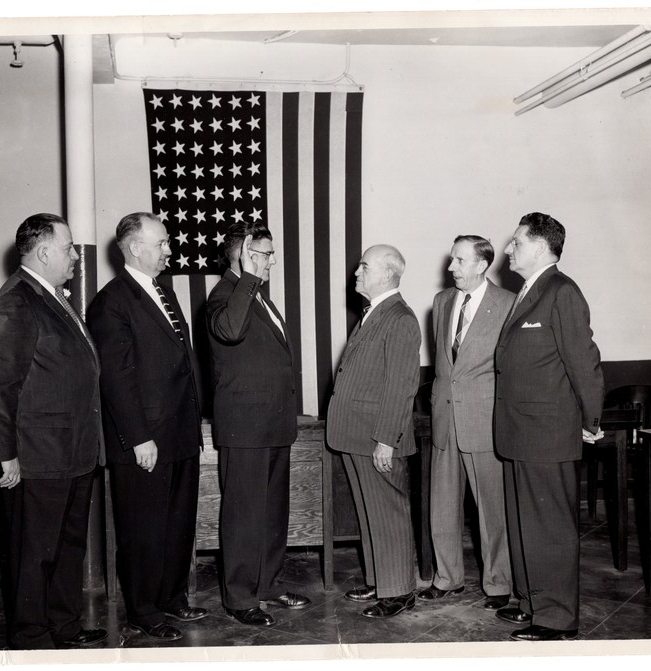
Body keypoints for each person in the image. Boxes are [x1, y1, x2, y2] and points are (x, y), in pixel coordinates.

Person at [0, 213, 107, 649]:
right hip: (37, 456)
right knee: (34, 554)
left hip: (72, 452)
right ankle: (32, 640)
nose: (76, 256)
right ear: (45, 251)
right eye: (69, 248)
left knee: (67, 548)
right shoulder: (18, 300)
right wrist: (6, 454)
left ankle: (64, 628)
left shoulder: (51, 297)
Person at [87, 212, 205, 643]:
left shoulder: (164, 293)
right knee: (143, 527)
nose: (169, 250)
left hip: (179, 433)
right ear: (135, 248)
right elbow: (116, 379)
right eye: (162, 243)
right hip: (145, 440)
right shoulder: (111, 302)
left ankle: (172, 597)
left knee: (177, 521)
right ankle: (143, 610)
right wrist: (139, 437)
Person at [494, 212, 604, 641]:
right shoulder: (527, 292)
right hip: (519, 429)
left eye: (516, 242)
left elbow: (584, 362)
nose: (508, 249)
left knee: (551, 529)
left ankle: (557, 618)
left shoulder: (562, 291)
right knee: (524, 523)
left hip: (548, 431)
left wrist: (591, 420)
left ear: (540, 246)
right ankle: (529, 601)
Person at [206, 221, 311, 627]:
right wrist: (249, 274)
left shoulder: (258, 297)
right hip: (244, 427)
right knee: (244, 515)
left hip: (271, 424)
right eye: (265, 253)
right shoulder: (223, 295)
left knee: (271, 514)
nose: (272, 261)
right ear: (244, 255)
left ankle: (266, 584)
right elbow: (230, 331)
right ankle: (239, 596)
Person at [326, 244, 422, 619]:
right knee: (369, 512)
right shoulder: (374, 313)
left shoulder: (400, 318)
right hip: (354, 432)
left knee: (388, 512)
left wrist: (386, 440)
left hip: (377, 437)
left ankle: (398, 591)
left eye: (364, 266)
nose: (356, 272)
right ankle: (379, 579)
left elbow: (402, 385)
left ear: (386, 274)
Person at [421, 235, 514, 610]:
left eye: (459, 261)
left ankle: (498, 582)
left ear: (481, 264)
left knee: (492, 509)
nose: (451, 267)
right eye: (452, 260)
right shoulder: (442, 302)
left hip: (484, 419)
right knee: (442, 504)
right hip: (445, 416)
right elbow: (446, 365)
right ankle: (447, 578)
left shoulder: (507, 304)